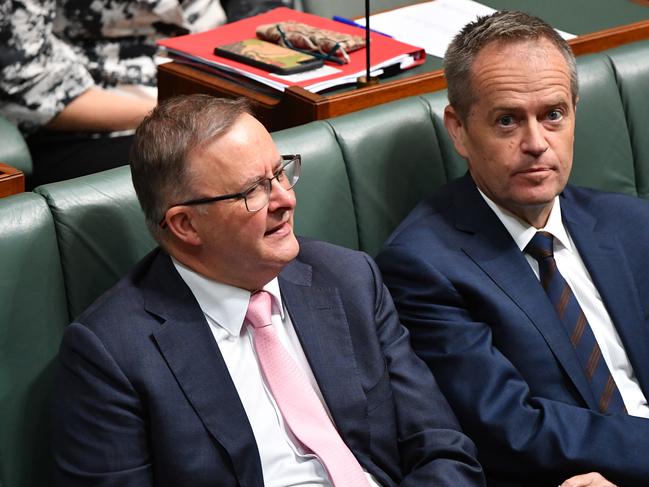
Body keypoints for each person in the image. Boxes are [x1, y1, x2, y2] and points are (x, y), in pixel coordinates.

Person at [50, 94, 485, 486]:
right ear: (185, 225)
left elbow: (443, 449)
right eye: (253, 191)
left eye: (280, 174)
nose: (285, 200)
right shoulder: (112, 354)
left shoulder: (348, 278)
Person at [376, 10, 649, 487]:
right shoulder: (422, 266)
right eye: (507, 121)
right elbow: (512, 428)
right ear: (458, 129)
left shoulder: (630, 223)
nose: (536, 143)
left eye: (553, 115)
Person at [0, 0, 290, 188]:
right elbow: (31, 83)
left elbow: (261, 9)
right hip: (100, 117)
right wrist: (185, 111)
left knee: (295, 143)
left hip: (218, 79)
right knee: (226, 174)